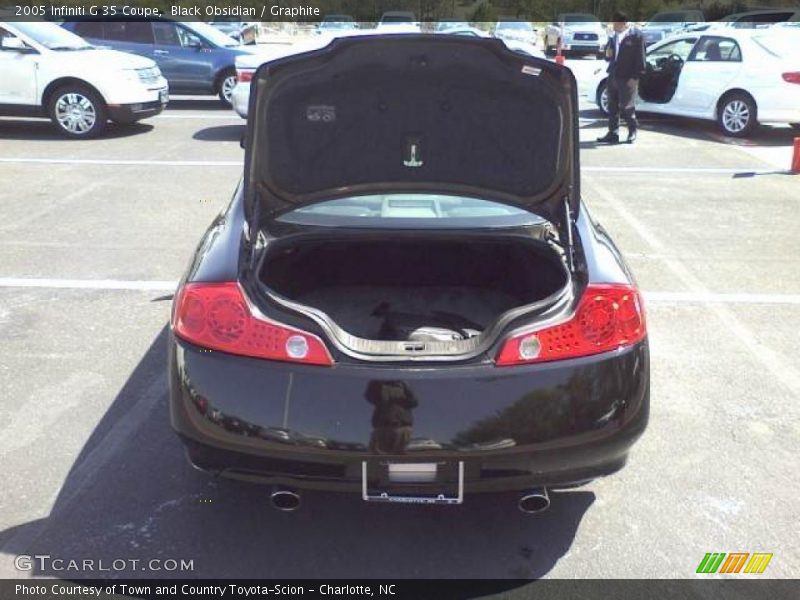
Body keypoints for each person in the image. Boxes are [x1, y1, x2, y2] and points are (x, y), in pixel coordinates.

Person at [597, 11, 646, 144]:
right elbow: (608, 56)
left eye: (615, 23)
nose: (613, 26)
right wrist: (607, 53)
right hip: (613, 74)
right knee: (612, 107)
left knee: (626, 106)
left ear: (623, 23)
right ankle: (613, 133)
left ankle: (632, 131)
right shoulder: (613, 36)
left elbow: (640, 59)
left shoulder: (636, 36)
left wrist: (635, 77)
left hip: (628, 77)